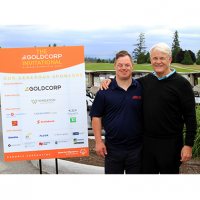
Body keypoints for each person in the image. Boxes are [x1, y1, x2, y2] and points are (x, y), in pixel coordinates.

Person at [100, 43, 197, 174]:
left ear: (169, 59)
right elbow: (125, 81)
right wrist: (109, 80)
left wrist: (188, 145)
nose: (158, 62)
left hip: (171, 144)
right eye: (155, 58)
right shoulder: (144, 82)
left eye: (162, 58)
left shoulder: (182, 85)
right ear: (151, 60)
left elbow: (190, 117)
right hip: (146, 143)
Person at [89, 50, 144, 174]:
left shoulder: (141, 88)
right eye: (120, 65)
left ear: (132, 66)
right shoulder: (104, 90)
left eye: (127, 65)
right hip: (112, 149)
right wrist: (98, 142)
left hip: (137, 149)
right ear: (115, 66)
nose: (123, 68)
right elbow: (96, 116)